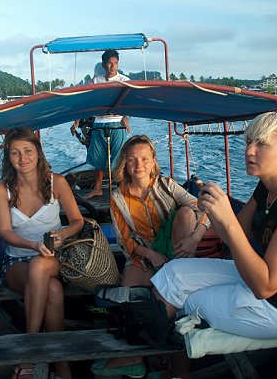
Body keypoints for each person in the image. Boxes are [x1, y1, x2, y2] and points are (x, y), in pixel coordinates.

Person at [150, 111, 277, 378]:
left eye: (262, 144)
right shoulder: (266, 187)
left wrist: (227, 220)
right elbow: (231, 236)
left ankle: (176, 372)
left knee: (188, 300)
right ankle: (153, 347)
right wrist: (214, 211)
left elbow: (265, 286)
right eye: (248, 142)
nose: (249, 151)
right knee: (173, 272)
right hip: (252, 278)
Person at [91, 134, 210, 378]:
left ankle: (171, 358)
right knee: (129, 294)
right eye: (132, 160)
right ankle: (136, 357)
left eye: (144, 159)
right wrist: (150, 255)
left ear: (153, 160)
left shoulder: (166, 185)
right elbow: (124, 239)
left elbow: (203, 208)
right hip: (145, 254)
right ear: (125, 163)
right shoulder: (118, 196)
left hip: (175, 251)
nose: (139, 165)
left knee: (187, 213)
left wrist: (195, 237)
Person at [0, 127, 84, 379]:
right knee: (52, 289)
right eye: (15, 153)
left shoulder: (58, 183)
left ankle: (29, 349)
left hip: (53, 258)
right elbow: (4, 232)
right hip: (16, 262)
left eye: (28, 151)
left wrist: (63, 234)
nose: (22, 158)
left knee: (41, 265)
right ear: (8, 157)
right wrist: (32, 245)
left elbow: (78, 221)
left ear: (38, 152)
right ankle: (59, 362)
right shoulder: (2, 190)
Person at [70, 49, 131, 199]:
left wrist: (125, 118)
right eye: (109, 63)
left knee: (119, 158)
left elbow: (130, 103)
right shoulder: (96, 81)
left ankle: (121, 188)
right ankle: (97, 188)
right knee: (98, 157)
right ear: (103, 65)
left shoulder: (125, 80)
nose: (112, 66)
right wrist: (76, 121)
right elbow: (87, 102)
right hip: (99, 123)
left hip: (117, 124)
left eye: (115, 63)